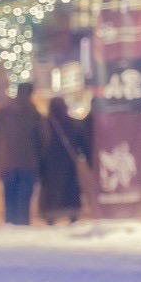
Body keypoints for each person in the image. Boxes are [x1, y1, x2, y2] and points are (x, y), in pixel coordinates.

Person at [0, 83, 44, 226]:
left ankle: (10, 225)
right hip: (28, 163)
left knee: (10, 200)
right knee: (24, 201)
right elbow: (42, 140)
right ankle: (22, 228)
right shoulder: (34, 114)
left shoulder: (3, 112)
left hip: (6, 162)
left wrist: (0, 155)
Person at [39, 95, 89, 225]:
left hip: (49, 165)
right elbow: (83, 142)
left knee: (51, 191)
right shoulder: (72, 123)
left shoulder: (45, 124)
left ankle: (51, 215)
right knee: (70, 189)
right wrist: (88, 159)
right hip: (69, 164)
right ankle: (72, 214)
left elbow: (39, 144)